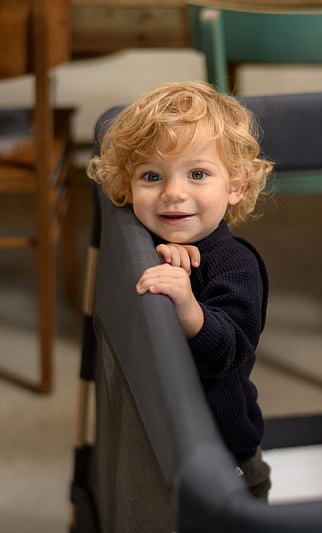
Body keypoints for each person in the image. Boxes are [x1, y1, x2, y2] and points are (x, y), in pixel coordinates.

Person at [87, 81, 274, 499]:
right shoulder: (149, 247)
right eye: (152, 176)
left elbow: (227, 350)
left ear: (236, 185)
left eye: (198, 174)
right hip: (165, 445)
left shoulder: (238, 264)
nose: (173, 193)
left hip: (229, 461)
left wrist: (188, 305)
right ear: (127, 186)